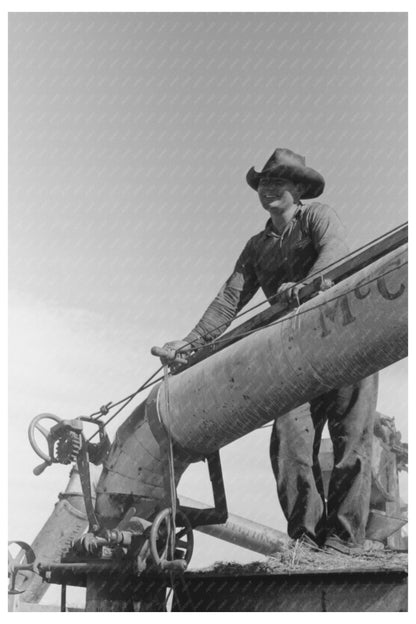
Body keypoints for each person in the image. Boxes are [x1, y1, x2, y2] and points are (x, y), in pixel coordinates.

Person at [161, 148, 378, 553]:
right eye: (264, 183)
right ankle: (307, 541)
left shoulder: (318, 216)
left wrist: (309, 284)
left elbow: (336, 251)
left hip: (346, 336)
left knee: (351, 441)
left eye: (279, 182)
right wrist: (189, 345)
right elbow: (229, 300)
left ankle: (345, 541)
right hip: (296, 354)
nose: (269, 189)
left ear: (298, 190)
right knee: (289, 438)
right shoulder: (256, 246)